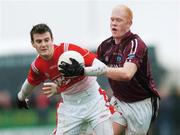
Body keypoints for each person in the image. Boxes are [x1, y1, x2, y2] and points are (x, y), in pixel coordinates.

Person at [59, 4, 160, 135]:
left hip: (141, 103)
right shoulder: (105, 46)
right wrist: (62, 84)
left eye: (119, 20)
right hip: (119, 101)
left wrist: (84, 70)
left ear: (129, 23)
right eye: (112, 19)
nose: (114, 23)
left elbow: (127, 74)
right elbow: (92, 70)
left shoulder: (136, 44)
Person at [16, 23, 114, 135]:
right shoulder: (37, 66)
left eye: (46, 40)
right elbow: (29, 84)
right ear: (33, 44)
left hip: (94, 100)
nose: (43, 44)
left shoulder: (68, 49)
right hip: (69, 107)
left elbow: (103, 68)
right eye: (39, 41)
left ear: (52, 39)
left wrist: (82, 71)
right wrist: (21, 97)